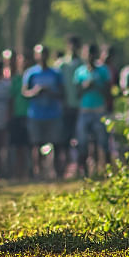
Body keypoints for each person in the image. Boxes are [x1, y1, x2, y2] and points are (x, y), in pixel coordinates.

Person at [22, 44, 64, 180]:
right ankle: (37, 173)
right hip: (36, 114)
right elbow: (24, 93)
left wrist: (50, 92)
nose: (42, 56)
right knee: (36, 144)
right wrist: (35, 92)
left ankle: (57, 173)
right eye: (39, 53)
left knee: (56, 143)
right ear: (36, 55)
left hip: (53, 113)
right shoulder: (30, 73)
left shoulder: (56, 73)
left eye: (44, 53)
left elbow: (62, 93)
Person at [73, 43, 111, 177]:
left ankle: (106, 170)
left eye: (91, 53)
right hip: (85, 110)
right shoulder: (80, 71)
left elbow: (108, 90)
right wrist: (85, 86)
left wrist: (96, 85)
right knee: (82, 142)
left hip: (99, 110)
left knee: (103, 141)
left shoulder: (103, 70)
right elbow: (77, 93)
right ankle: (84, 172)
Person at [53, 35, 85, 177]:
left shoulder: (82, 64)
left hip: (79, 106)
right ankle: (63, 167)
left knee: (80, 138)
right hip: (64, 107)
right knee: (63, 138)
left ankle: (80, 167)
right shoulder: (61, 64)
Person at [6, 49, 31, 180]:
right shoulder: (15, 80)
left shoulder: (33, 77)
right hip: (17, 116)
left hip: (30, 116)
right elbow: (11, 99)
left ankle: (28, 173)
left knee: (28, 147)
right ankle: (17, 173)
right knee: (17, 147)